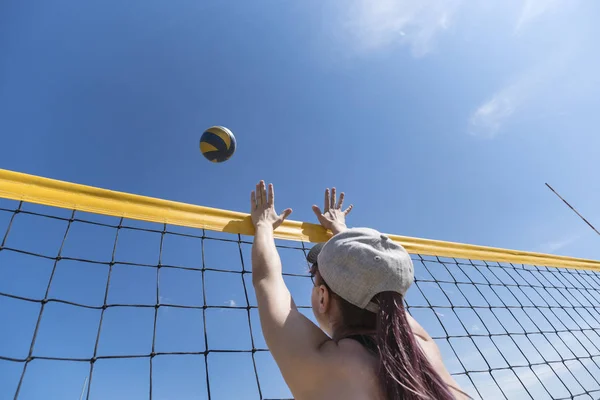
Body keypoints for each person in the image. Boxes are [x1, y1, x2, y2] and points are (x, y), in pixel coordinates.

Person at [250, 181, 469, 400]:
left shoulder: (322, 364)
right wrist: (342, 232)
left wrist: (263, 225)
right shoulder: (422, 346)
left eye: (315, 282)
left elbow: (266, 279)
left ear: (322, 297)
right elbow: (381, 284)